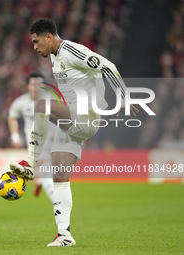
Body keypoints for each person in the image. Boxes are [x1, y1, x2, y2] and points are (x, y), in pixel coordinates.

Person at [10, 18, 138, 247]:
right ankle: (64, 235)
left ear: (49, 36)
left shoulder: (71, 51)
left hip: (86, 115)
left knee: (41, 105)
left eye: (37, 42)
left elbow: (107, 66)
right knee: (59, 177)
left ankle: (29, 162)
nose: (35, 47)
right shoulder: (54, 57)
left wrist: (124, 97)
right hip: (72, 124)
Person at [8, 73, 55, 202]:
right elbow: (12, 117)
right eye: (33, 85)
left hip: (54, 141)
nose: (36, 88)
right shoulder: (21, 102)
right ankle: (58, 204)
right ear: (28, 86)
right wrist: (15, 136)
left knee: (52, 171)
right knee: (46, 168)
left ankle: (39, 180)